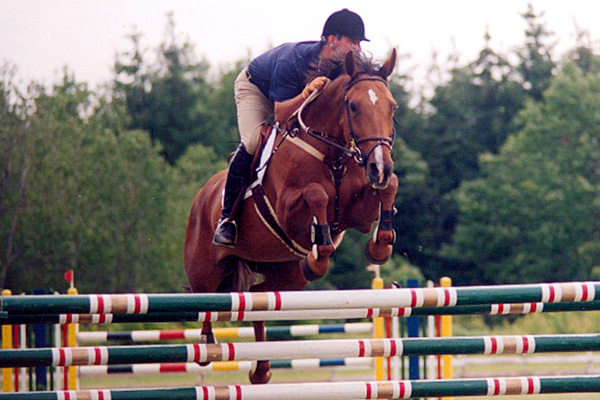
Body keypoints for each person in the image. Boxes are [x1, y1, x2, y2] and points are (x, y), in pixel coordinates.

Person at [213, 8, 369, 247]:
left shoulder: (342, 65)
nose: (357, 48)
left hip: (293, 97)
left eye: (359, 43)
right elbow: (282, 115)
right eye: (352, 41)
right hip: (256, 90)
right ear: (331, 40)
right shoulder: (293, 60)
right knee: (254, 141)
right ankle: (227, 219)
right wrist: (307, 92)